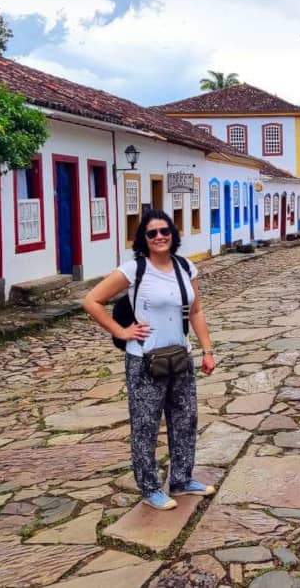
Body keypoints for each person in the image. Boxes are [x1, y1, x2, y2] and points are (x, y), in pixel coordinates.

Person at [82, 210, 217, 511]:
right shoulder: (133, 270)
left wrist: (207, 350)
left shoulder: (185, 267)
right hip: (144, 360)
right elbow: (91, 301)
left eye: (164, 231)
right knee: (145, 425)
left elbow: (196, 312)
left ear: (173, 234)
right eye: (152, 233)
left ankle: (182, 479)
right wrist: (121, 331)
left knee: (185, 420)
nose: (159, 237)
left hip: (180, 357)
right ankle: (150, 487)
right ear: (143, 238)